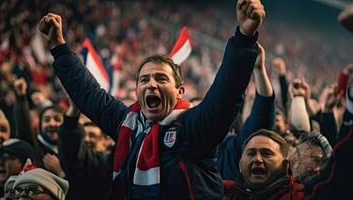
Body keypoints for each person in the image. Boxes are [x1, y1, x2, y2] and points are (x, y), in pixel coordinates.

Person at [38, 0, 265, 198]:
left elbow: (226, 95)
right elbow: (89, 94)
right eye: (144, 80)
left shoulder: (193, 127)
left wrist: (244, 40)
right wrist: (59, 48)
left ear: (179, 92)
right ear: (137, 90)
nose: (151, 84)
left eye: (160, 78)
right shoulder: (128, 124)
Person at [217, 43, 276, 180]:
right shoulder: (184, 144)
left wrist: (259, 70)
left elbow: (261, 119)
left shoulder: (230, 151)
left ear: (230, 130)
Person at [223, 129, 305, 200]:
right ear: (240, 164)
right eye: (251, 153)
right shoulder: (223, 191)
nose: (257, 159)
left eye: (266, 154)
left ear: (284, 166)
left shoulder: (302, 195)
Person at [58, 100, 113, 200]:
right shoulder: (77, 164)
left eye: (92, 135)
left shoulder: (113, 163)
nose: (87, 139)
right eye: (84, 136)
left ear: (105, 140)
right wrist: (73, 111)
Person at [13, 78, 66, 178]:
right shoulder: (35, 146)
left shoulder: (72, 150)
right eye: (46, 120)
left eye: (57, 119)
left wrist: (60, 172)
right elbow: (24, 126)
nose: (52, 124)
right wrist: (20, 98)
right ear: (40, 126)